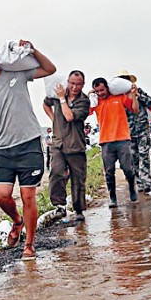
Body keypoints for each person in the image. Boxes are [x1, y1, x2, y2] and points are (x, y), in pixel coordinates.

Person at [0, 41, 57, 261]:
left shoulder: (15, 72)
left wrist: (33, 49)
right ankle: (17, 221)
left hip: (30, 145)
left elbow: (49, 69)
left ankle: (29, 244)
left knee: (28, 196)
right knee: (2, 196)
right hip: (3, 149)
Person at [42, 70, 90, 222]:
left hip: (75, 144)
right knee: (56, 173)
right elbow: (45, 104)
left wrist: (62, 98)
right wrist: (54, 119)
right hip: (58, 143)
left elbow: (69, 116)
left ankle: (79, 209)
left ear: (83, 85)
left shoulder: (84, 101)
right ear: (67, 81)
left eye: (78, 84)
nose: (74, 87)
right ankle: (59, 206)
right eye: (72, 83)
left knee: (78, 178)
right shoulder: (57, 94)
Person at [90, 77, 136, 208]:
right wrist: (90, 95)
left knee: (127, 169)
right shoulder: (95, 102)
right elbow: (87, 111)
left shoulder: (119, 97)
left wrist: (133, 94)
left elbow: (134, 108)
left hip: (122, 139)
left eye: (102, 90)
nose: (100, 93)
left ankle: (132, 188)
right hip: (105, 141)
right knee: (109, 172)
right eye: (97, 91)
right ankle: (113, 198)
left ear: (107, 88)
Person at [119, 72, 151, 194]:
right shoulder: (119, 96)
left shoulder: (139, 91)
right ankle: (139, 183)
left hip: (142, 130)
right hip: (128, 133)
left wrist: (138, 95)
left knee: (144, 156)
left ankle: (146, 182)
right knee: (134, 159)